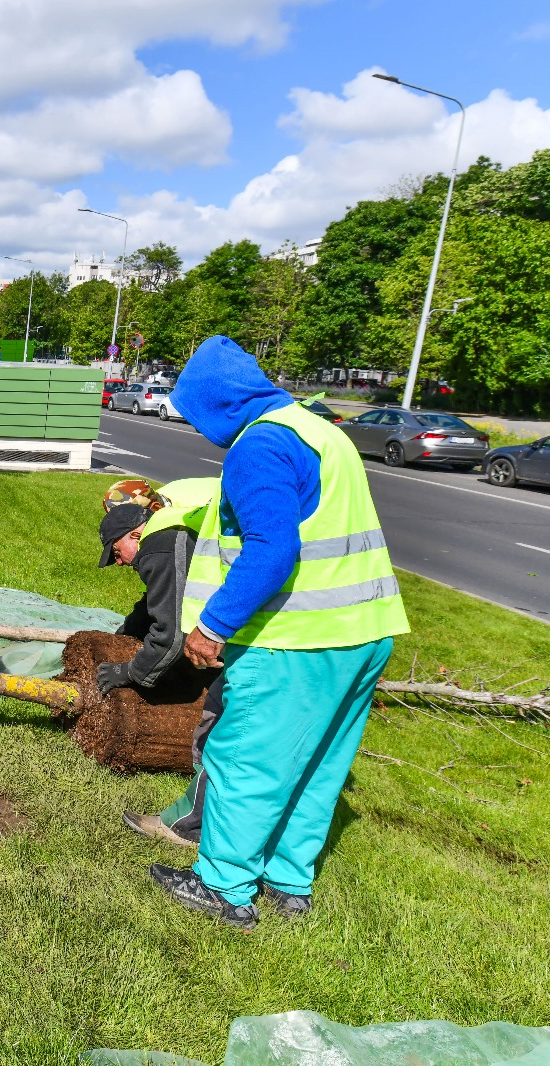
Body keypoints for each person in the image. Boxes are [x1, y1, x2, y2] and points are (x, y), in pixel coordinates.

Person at [150, 336, 407, 930]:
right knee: (318, 762)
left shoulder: (258, 445)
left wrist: (213, 625)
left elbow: (272, 549)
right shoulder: (321, 432)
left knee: (247, 760)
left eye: (194, 413)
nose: (196, 427)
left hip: (295, 640)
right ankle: (289, 882)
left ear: (217, 403)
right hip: (365, 631)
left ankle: (223, 886)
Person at [97, 477, 222, 847]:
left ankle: (190, 826)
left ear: (135, 535)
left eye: (116, 551)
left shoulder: (162, 544)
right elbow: (162, 598)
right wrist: (123, 635)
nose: (119, 561)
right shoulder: (174, 522)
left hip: (265, 640)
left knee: (220, 732)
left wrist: (129, 672)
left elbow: (171, 637)